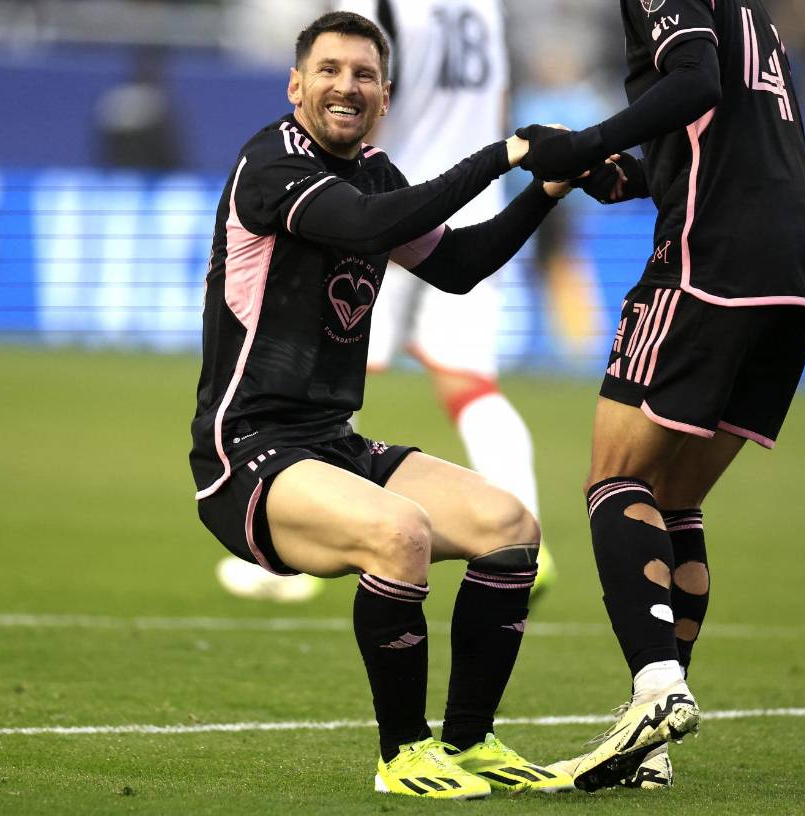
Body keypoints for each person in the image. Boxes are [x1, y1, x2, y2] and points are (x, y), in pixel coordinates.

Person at [189, 11, 576, 799]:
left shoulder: (374, 171)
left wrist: (547, 189)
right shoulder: (271, 164)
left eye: (364, 75)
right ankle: (403, 755)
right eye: (329, 70)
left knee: (511, 528)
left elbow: (459, 264)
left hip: (331, 443)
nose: (346, 85)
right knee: (399, 532)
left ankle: (469, 742)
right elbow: (370, 224)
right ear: (296, 84)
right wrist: (504, 151)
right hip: (246, 453)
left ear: (385, 96)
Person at [515, 0, 805, 792]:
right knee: (675, 496)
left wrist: (586, 136)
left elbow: (691, 83)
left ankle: (657, 688)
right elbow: (696, 139)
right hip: (795, 269)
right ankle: (651, 741)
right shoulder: (751, 11)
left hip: (708, 263)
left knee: (614, 479)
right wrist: (597, 169)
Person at [216, 0, 558, 605]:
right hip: (438, 196)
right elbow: (500, 94)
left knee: (326, 353)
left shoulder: (380, 5)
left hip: (389, 196)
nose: (348, 83)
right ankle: (315, 528)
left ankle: (292, 539)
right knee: (469, 383)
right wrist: (510, 163)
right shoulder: (484, 6)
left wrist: (535, 182)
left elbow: (346, 106)